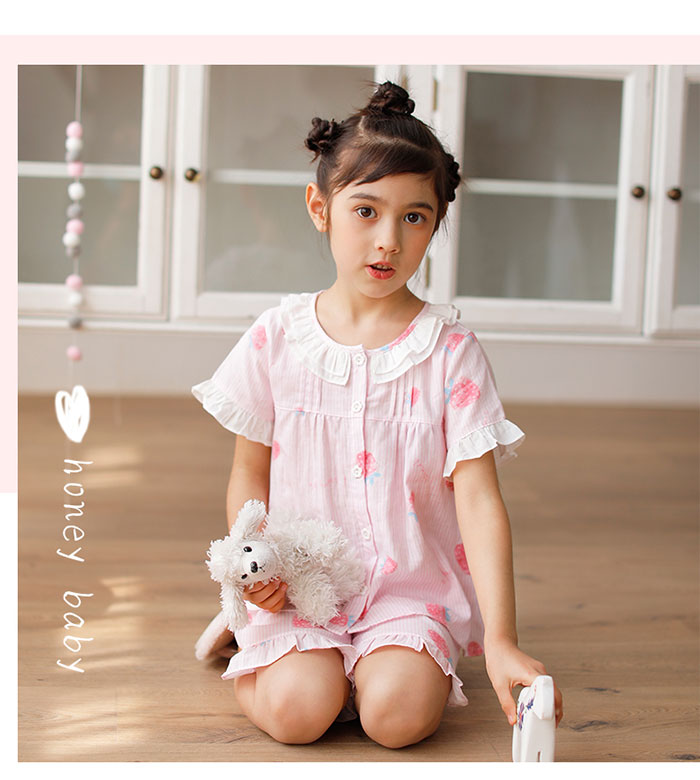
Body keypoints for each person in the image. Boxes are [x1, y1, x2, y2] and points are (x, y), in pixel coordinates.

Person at [192, 81, 564, 749]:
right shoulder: (276, 337)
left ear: (437, 223)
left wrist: (503, 640)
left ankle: (373, 669)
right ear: (321, 208)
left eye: (415, 217)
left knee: (397, 720)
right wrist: (258, 571)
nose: (388, 240)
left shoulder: (451, 353)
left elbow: (480, 499)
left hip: (407, 594)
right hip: (300, 581)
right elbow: (250, 474)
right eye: (366, 211)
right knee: (300, 713)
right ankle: (262, 655)